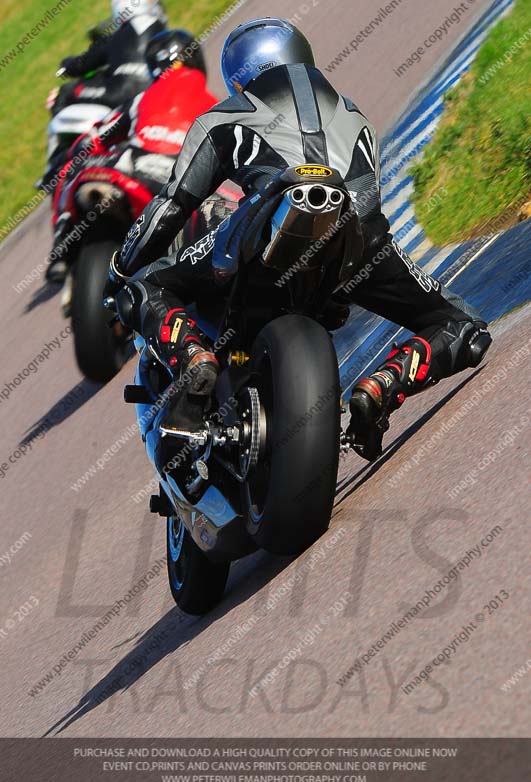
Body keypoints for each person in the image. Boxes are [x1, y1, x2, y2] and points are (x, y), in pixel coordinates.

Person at [106, 17, 492, 460]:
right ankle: (383, 384)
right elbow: (369, 204)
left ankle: (195, 359)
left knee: (145, 288)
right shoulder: (355, 115)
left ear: (239, 75)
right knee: (464, 327)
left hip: (263, 227)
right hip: (357, 239)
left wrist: (119, 270)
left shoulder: (222, 117)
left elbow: (172, 205)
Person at [46, 29, 216, 284]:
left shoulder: (140, 99)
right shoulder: (216, 106)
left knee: (71, 166)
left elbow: (93, 139)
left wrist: (72, 159)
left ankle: (61, 248)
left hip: (131, 164)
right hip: (179, 180)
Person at [52, 0, 167, 115]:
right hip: (157, 94)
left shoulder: (116, 37)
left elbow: (82, 64)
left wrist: (66, 65)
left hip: (120, 93)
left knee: (66, 92)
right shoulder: (165, 33)